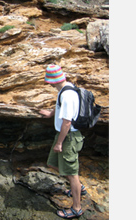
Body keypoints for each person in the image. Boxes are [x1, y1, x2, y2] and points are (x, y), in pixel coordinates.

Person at [39, 64, 86, 219]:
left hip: (68, 137)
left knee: (72, 173)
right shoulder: (66, 88)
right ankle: (77, 187)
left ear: (52, 81)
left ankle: (76, 208)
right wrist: (51, 113)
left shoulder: (67, 95)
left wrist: (59, 143)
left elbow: (67, 122)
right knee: (52, 163)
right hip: (63, 135)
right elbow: (61, 106)